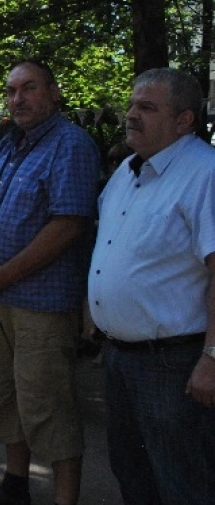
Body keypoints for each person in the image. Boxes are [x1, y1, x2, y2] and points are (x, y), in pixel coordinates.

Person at [0, 60, 100, 505]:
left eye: (29, 88)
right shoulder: (8, 144)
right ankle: (14, 486)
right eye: (11, 91)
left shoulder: (71, 144)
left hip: (42, 302)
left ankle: (64, 499)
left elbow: (69, 224)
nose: (17, 99)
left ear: (54, 93)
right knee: (1, 396)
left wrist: (7, 274)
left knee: (48, 405)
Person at [87, 67, 215, 504]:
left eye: (146, 107)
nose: (131, 115)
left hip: (173, 362)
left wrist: (212, 357)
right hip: (121, 356)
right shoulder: (126, 171)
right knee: (132, 471)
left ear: (184, 120)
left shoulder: (204, 173)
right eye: (131, 105)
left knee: (182, 480)